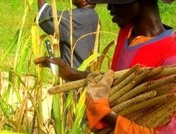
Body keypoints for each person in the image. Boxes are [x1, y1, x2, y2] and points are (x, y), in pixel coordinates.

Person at [34, 0, 176, 133]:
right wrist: (72, 74)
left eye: (115, 2)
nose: (109, 7)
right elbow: (117, 83)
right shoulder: (127, 34)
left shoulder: (171, 56)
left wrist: (103, 114)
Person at [36, 0, 100, 69]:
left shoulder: (76, 18)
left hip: (74, 73)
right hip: (86, 72)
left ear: (85, 1)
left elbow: (45, 16)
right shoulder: (93, 15)